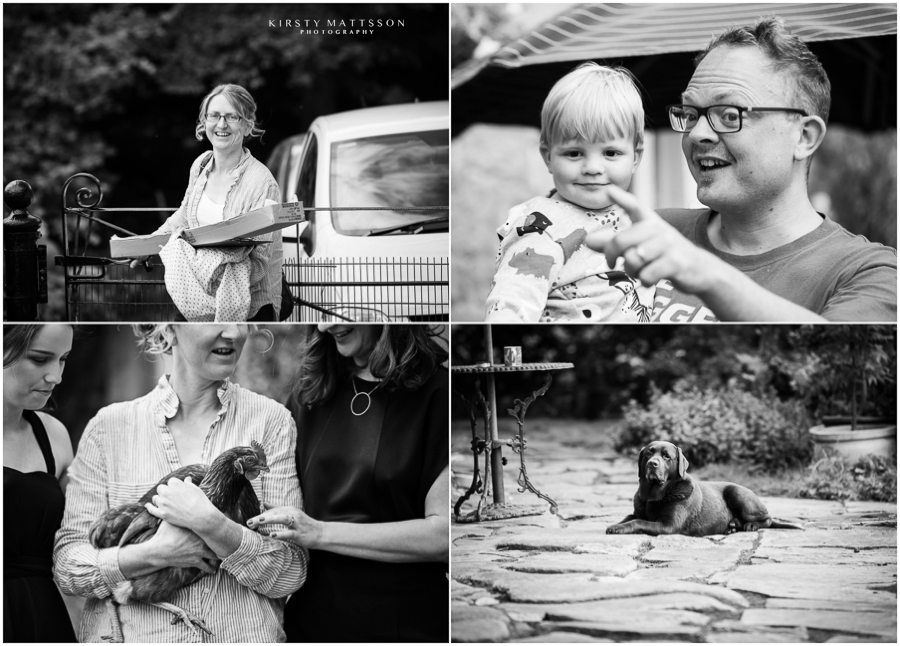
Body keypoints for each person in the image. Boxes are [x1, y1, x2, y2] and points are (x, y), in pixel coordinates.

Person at [587, 17, 897, 322]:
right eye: (691, 113)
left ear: (804, 137)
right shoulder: (648, 230)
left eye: (729, 114)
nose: (696, 134)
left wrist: (704, 273)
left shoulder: (868, 271)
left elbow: (830, 355)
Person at [53, 324, 308, 642]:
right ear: (168, 329)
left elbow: (291, 572)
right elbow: (67, 567)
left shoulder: (273, 421)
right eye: (212, 319)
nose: (232, 332)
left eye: (241, 319)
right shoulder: (109, 427)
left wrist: (215, 527)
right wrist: (157, 552)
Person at [249, 324, 449, 642]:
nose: (327, 324)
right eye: (323, 312)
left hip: (403, 621)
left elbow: (442, 536)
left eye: (342, 308)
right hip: (312, 620)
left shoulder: (438, 393)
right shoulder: (310, 388)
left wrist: (320, 532)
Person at [485, 62, 654, 322]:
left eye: (611, 153)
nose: (593, 168)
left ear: (635, 157)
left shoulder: (632, 217)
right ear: (548, 157)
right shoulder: (541, 231)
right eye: (574, 153)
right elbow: (510, 304)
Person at [130, 84, 284, 322]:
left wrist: (211, 271)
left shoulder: (263, 183)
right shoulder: (201, 165)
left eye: (232, 116)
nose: (221, 124)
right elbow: (183, 217)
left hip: (249, 308)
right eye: (214, 116)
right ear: (204, 122)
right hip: (197, 299)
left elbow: (261, 262)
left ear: (247, 125)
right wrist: (147, 245)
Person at [4, 325, 77, 643]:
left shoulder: (54, 434)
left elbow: (78, 540)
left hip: (42, 616)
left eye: (62, 359)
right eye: (39, 358)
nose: (56, 377)